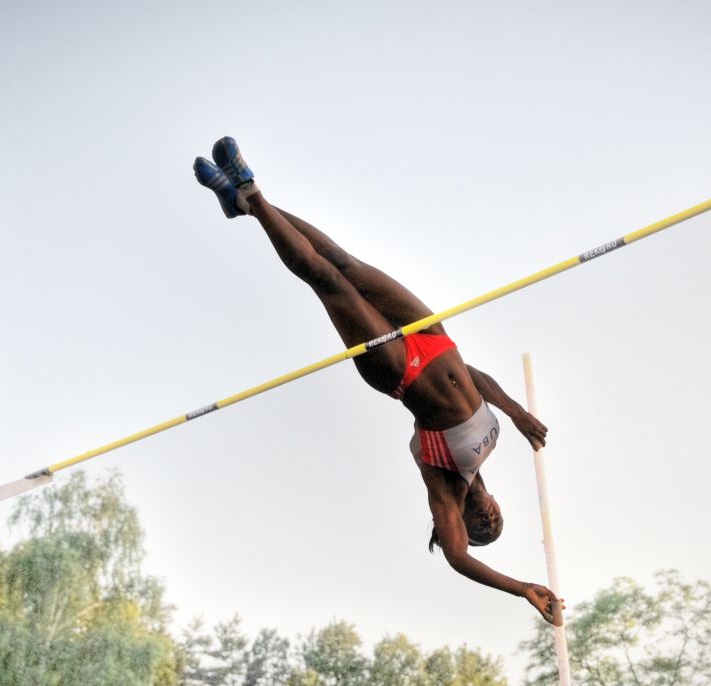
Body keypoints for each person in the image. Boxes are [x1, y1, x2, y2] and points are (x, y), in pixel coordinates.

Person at [194, 137, 564, 625]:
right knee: (342, 259)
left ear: (461, 524)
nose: (487, 521)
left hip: (399, 373)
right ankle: (244, 203)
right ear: (497, 502)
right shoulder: (490, 446)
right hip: (435, 337)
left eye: (481, 529)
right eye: (495, 519)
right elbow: (474, 378)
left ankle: (253, 193)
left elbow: (458, 559)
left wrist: (521, 589)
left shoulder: (445, 487)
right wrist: (515, 413)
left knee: (326, 279)